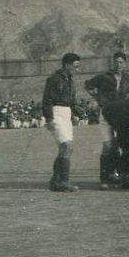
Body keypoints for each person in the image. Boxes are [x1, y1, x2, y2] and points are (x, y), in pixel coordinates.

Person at [85, 52, 129, 189]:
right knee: (108, 146)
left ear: (125, 63)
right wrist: (97, 98)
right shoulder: (104, 77)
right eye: (116, 62)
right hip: (106, 114)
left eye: (121, 62)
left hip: (121, 114)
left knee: (123, 145)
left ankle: (121, 176)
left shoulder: (127, 78)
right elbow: (88, 85)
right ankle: (104, 178)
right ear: (113, 63)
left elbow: (127, 93)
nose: (118, 64)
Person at [42, 52, 82, 192]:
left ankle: (56, 181)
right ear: (67, 65)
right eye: (75, 66)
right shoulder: (54, 79)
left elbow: (71, 101)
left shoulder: (70, 80)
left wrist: (77, 113)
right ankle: (63, 181)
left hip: (66, 114)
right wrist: (49, 119)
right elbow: (47, 100)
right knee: (66, 147)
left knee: (65, 148)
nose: (78, 70)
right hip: (56, 112)